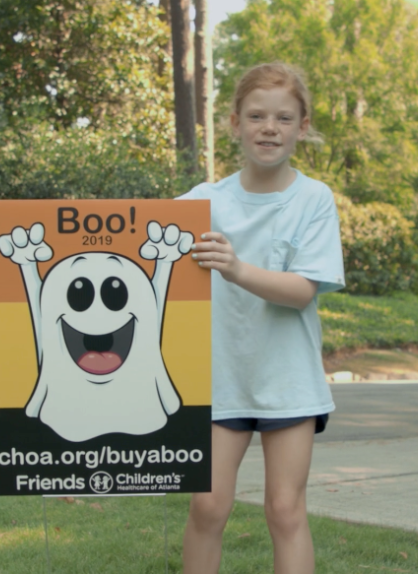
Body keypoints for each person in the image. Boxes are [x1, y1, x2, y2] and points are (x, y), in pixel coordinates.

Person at [178, 62, 345, 574]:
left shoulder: (314, 199)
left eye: (283, 118)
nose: (269, 128)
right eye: (256, 116)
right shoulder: (202, 201)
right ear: (234, 123)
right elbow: (130, 236)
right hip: (219, 379)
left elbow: (302, 291)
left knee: (285, 510)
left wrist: (236, 269)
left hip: (288, 380)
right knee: (207, 506)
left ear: (302, 127)